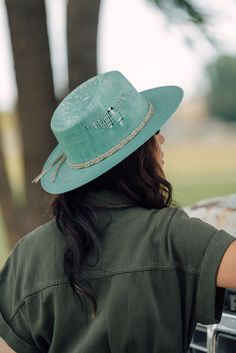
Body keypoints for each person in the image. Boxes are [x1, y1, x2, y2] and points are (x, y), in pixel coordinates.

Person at [0, 70, 235, 353]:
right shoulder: (171, 234)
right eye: (154, 134)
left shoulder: (28, 254)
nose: (162, 142)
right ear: (138, 156)